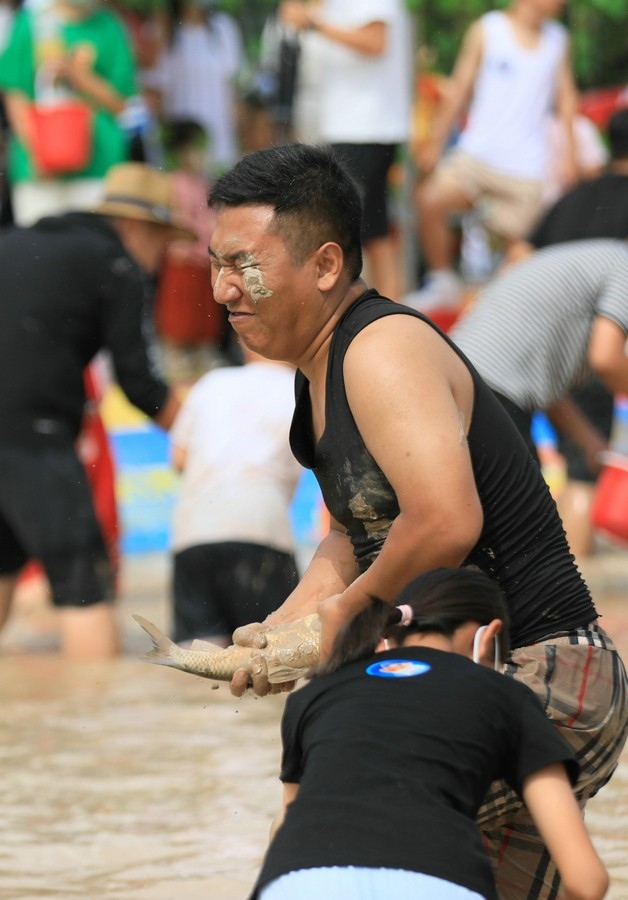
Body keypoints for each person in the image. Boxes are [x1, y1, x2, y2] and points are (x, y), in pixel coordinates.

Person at [207, 143, 627, 897]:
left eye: (243, 264)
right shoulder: (317, 376)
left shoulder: (382, 349)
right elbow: (355, 531)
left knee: (321, 837)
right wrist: (280, 628)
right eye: (215, 263)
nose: (222, 289)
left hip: (542, 671)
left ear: (326, 265)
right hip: (495, 675)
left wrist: (345, 614)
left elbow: (444, 521)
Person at [251, 568, 609, 900]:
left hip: (294, 885)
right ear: (488, 637)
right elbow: (586, 881)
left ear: (388, 637)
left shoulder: (314, 694)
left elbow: (289, 823)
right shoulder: (506, 694)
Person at [0, 162, 189, 660]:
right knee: (84, 583)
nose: (161, 260)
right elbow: (140, 383)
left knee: (3, 564)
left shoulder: (15, 241)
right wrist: (197, 435)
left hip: (16, 428)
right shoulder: (116, 264)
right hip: (33, 435)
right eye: (163, 243)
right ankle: (92, 701)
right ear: (137, 227)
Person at [505, 107, 628, 557]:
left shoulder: (572, 197)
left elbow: (516, 258)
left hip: (529, 347)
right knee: (583, 473)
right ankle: (579, 589)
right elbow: (606, 353)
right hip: (590, 346)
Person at [407, 0, 579, 311]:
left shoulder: (558, 39)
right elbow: (460, 87)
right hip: (476, 157)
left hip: (526, 169)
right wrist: (436, 142)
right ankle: (442, 280)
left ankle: (495, 306)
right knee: (429, 200)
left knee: (524, 259)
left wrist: (570, 155)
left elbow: (566, 97)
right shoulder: (488, 29)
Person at [278, 0, 412, 301]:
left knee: (348, 228)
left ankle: (369, 312)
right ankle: (390, 307)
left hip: (365, 127)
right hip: (357, 128)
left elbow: (375, 41)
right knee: (371, 228)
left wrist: (313, 22)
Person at [449, 240, 628, 466]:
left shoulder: (596, 259)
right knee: (522, 486)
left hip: (457, 376)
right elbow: (606, 359)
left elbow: (545, 386)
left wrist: (589, 442)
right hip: (492, 391)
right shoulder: (624, 266)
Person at [169, 345, 303, 644]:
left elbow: (179, 459)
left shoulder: (212, 382)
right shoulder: (302, 391)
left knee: (200, 656)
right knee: (270, 652)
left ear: (244, 342)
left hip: (193, 533)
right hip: (261, 530)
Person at [0, 0, 138, 226]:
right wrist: (39, 154)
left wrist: (80, 77)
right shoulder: (29, 23)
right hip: (38, 173)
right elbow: (15, 95)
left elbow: (123, 103)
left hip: (99, 168)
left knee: (94, 245)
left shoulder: (111, 26)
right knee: (38, 245)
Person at [141, 0, 244, 176]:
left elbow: (232, 88)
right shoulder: (160, 28)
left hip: (220, 139)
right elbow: (154, 89)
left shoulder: (224, 27)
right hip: (181, 144)